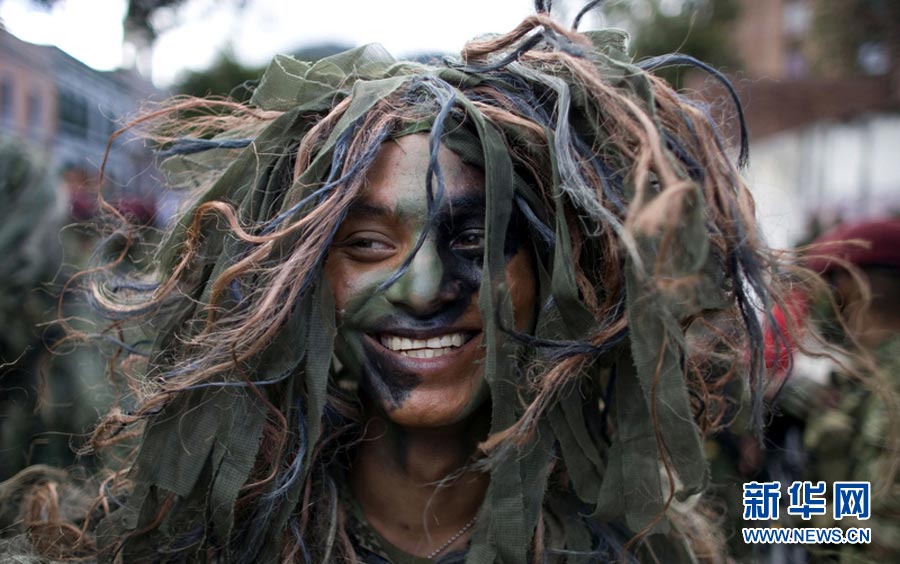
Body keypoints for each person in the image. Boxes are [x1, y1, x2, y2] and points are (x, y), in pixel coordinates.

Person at [2, 7, 787, 563]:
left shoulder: (645, 543)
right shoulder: (200, 534)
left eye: (477, 240)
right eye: (369, 243)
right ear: (308, 278)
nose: (423, 288)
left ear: (548, 273)